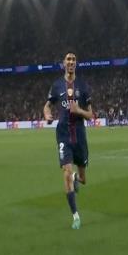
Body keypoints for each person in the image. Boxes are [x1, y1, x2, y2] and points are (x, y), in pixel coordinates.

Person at [43, 51, 93, 229]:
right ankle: (75, 216)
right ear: (64, 63)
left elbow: (91, 115)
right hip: (63, 134)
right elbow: (47, 106)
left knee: (83, 179)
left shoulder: (83, 86)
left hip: (79, 136)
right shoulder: (57, 85)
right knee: (66, 171)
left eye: (73, 59)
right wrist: (47, 115)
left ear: (76, 64)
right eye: (68, 59)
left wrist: (79, 111)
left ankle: (76, 177)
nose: (71, 62)